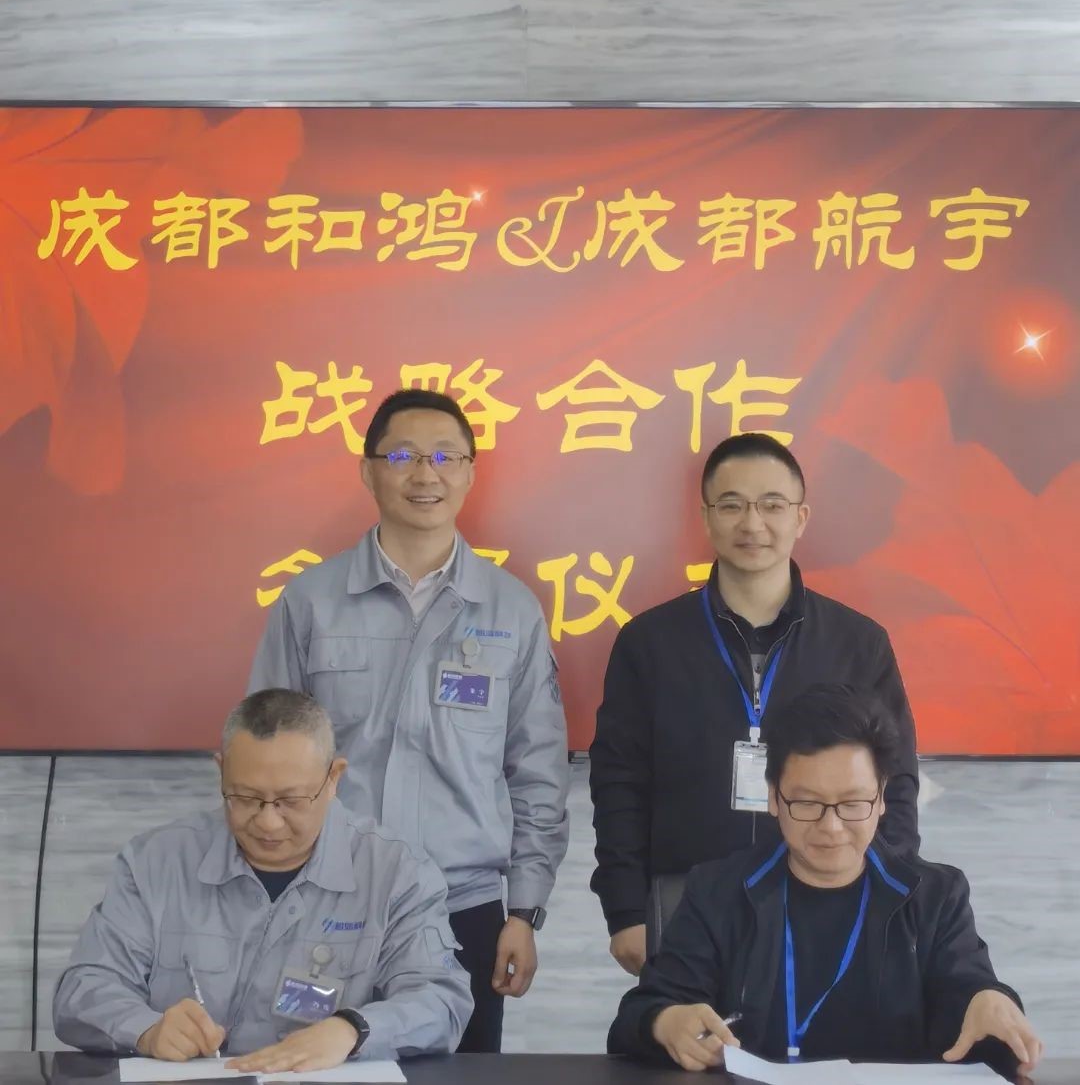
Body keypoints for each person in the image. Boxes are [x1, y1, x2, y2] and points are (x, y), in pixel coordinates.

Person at [248, 388, 570, 1053]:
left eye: (446, 457)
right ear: (368, 472)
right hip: (326, 903)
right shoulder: (311, 602)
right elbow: (262, 762)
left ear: (470, 473)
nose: (426, 474)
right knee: (316, 1064)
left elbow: (537, 772)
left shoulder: (511, 611)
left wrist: (523, 911)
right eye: (402, 456)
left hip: (464, 910)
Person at [590, 432, 920, 976]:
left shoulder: (858, 644)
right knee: (684, 1031)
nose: (752, 524)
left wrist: (889, 898)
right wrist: (626, 910)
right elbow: (618, 783)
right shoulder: (650, 642)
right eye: (732, 505)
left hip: (829, 902)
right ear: (706, 517)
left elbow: (896, 782)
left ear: (801, 517)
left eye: (772, 505)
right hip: (685, 904)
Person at [607, 684, 1041, 1078]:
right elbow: (640, 1014)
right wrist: (666, 1022)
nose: (831, 827)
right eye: (807, 803)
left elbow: (967, 993)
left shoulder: (934, 897)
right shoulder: (717, 891)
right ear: (774, 797)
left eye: (852, 803)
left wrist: (989, 999)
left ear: (881, 798)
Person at [53, 690, 472, 1070]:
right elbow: (83, 989)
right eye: (245, 798)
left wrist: (352, 1029)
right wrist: (146, 1029)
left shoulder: (396, 872)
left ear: (333, 779)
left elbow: (441, 1000)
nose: (268, 823)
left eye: (291, 800)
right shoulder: (156, 861)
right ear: (221, 772)